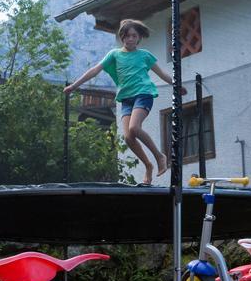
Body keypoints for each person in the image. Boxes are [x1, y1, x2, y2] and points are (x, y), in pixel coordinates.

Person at [64, 19, 186, 185]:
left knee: (134, 128)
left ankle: (159, 156)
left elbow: (162, 74)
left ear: (139, 38)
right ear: (122, 37)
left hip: (143, 94)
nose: (130, 39)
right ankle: (148, 166)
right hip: (126, 99)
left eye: (134, 36)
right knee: (129, 137)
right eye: (127, 36)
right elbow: (94, 70)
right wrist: (74, 86)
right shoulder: (114, 54)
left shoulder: (144, 55)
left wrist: (176, 85)